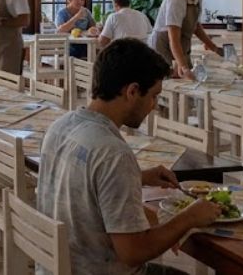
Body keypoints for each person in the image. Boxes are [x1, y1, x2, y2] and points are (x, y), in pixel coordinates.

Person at [37, 38, 220, 275]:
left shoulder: (60, 126)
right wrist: (189, 217)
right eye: (153, 96)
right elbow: (133, 252)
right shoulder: (113, 153)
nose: (154, 106)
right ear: (132, 91)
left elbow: (82, 180)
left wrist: (138, 177)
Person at [148, 0, 221, 78]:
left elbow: (195, 26)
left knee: (187, 78)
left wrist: (214, 47)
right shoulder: (176, 0)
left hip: (182, 42)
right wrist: (183, 66)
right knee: (167, 79)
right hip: (163, 43)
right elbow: (173, 39)